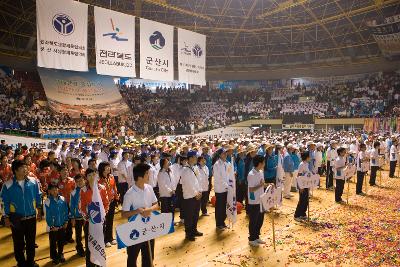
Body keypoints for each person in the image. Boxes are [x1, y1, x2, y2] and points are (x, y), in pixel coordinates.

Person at [0, 159, 42, 267]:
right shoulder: (7, 185)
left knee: (31, 242)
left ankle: (31, 261)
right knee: (18, 243)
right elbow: (4, 202)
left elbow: (38, 196)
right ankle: (21, 262)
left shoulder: (34, 181)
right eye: (23, 167)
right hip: (16, 219)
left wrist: (39, 210)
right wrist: (6, 217)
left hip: (31, 217)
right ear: (15, 170)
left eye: (26, 167)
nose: (26, 169)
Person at [121, 163, 159, 267]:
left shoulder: (149, 188)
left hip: (148, 227)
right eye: (147, 173)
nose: (149, 175)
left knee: (149, 256)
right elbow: (123, 214)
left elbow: (156, 205)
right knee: (133, 257)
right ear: (139, 177)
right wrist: (137, 211)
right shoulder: (129, 194)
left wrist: (149, 209)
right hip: (135, 230)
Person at [79, 168, 109, 267]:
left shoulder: (102, 188)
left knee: (100, 243)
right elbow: (81, 207)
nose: (91, 177)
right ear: (86, 178)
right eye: (89, 175)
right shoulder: (83, 190)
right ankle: (90, 264)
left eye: (93, 175)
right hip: (89, 222)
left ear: (97, 175)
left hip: (100, 221)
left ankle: (100, 263)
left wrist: (103, 214)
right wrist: (87, 217)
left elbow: (106, 203)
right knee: (90, 245)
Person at [180, 151, 202, 241]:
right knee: (189, 216)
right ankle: (188, 234)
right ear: (190, 158)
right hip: (189, 196)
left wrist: (200, 191)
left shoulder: (195, 167)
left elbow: (198, 180)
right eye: (195, 157)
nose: (196, 158)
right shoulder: (185, 170)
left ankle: (194, 230)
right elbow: (188, 184)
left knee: (196, 214)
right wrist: (195, 193)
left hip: (197, 195)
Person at [44, 183, 68, 264]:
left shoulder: (62, 199)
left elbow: (65, 211)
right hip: (53, 227)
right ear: (49, 191)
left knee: (61, 241)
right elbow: (47, 215)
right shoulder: (47, 201)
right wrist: (51, 225)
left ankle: (60, 253)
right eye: (52, 190)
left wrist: (66, 221)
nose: (54, 191)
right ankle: (54, 256)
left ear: (58, 189)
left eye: (56, 189)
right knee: (53, 242)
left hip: (62, 225)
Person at [247, 155, 267, 247]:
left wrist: (268, 185)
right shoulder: (251, 174)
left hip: (261, 198)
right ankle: (251, 238)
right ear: (259, 163)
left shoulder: (261, 172)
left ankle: (257, 236)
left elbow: (262, 184)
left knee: (260, 219)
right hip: (254, 200)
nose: (264, 164)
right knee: (254, 220)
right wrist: (260, 185)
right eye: (263, 162)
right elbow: (251, 189)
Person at [98, 162, 119, 247]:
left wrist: (116, 197)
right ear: (102, 168)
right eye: (107, 167)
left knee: (110, 220)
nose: (109, 169)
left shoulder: (111, 177)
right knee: (104, 221)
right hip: (103, 204)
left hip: (112, 201)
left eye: (109, 167)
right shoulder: (98, 179)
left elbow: (114, 187)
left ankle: (110, 237)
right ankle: (104, 239)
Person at [212, 148, 229, 230]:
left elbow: (228, 176)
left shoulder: (225, 163)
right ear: (219, 155)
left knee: (224, 207)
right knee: (219, 207)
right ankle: (219, 224)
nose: (225, 154)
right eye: (223, 153)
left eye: (226, 153)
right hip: (220, 189)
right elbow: (219, 178)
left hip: (226, 189)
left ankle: (223, 222)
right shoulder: (217, 165)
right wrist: (227, 186)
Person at [69, 174, 86, 257]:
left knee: (87, 232)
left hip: (87, 216)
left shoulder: (88, 189)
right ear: (75, 182)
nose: (79, 182)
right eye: (77, 181)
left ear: (84, 180)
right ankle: (79, 248)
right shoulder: (73, 193)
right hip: (78, 216)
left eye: (81, 180)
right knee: (78, 234)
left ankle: (89, 247)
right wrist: (72, 217)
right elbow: (72, 206)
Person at [294, 151, 311, 222]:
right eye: (309, 156)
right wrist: (301, 187)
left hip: (306, 184)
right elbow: (299, 175)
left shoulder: (306, 164)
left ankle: (303, 214)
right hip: (302, 185)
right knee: (302, 200)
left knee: (306, 200)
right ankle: (297, 215)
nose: (310, 158)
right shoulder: (302, 164)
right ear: (307, 157)